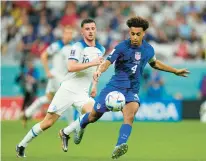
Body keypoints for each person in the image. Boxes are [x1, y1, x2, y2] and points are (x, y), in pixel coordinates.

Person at [73, 16, 190, 159]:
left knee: (129, 116)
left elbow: (155, 63)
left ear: (143, 34)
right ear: (129, 33)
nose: (134, 37)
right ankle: (81, 126)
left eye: (138, 34)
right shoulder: (121, 46)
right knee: (93, 116)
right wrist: (99, 71)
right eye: (132, 34)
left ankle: (119, 145)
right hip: (114, 87)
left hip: (131, 90)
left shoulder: (148, 49)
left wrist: (175, 71)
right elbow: (108, 61)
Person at [16, 18, 105, 158]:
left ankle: (66, 132)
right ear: (82, 32)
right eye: (87, 29)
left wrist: (94, 85)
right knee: (47, 123)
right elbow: (70, 67)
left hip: (82, 93)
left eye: (93, 28)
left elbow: (97, 69)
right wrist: (91, 63)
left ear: (96, 30)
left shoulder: (101, 49)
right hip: (67, 90)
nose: (90, 31)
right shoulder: (77, 47)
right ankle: (21, 145)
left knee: (94, 113)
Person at [22, 25, 74, 127]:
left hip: (62, 77)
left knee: (48, 98)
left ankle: (26, 113)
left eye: (71, 33)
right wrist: (47, 71)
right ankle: (71, 127)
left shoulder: (72, 47)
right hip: (55, 76)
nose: (69, 35)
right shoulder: (56, 46)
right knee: (68, 100)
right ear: (63, 34)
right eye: (67, 33)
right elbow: (43, 56)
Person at [15, 59, 40, 128]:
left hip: (32, 91)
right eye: (29, 64)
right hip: (27, 91)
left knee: (29, 104)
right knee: (25, 104)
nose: (30, 65)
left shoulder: (34, 71)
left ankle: (26, 117)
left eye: (31, 64)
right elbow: (18, 79)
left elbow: (36, 80)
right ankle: (24, 117)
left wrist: (31, 79)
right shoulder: (26, 71)